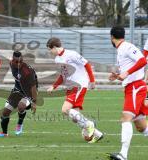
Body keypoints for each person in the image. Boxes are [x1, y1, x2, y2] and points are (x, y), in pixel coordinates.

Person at [46, 37, 103, 143]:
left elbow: (86, 64)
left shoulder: (71, 54)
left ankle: (89, 124)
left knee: (65, 110)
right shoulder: (57, 59)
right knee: (75, 118)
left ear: (54, 47)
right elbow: (62, 76)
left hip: (79, 85)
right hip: (70, 87)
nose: (50, 52)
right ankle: (97, 134)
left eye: (50, 49)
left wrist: (92, 81)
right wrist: (54, 86)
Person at [107, 26, 148, 160]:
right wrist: (119, 75)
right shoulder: (121, 49)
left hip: (136, 87)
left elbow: (143, 60)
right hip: (132, 87)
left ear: (112, 37)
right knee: (141, 126)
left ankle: (123, 155)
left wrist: (126, 73)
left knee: (126, 118)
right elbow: (130, 68)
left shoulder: (126, 46)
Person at [0, 51, 38, 137]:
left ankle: (19, 124)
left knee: (21, 106)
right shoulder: (11, 63)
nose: (18, 64)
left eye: (20, 61)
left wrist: (34, 103)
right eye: (16, 62)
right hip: (17, 90)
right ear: (12, 60)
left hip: (28, 92)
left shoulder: (28, 71)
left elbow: (33, 88)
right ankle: (4, 133)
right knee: (6, 112)